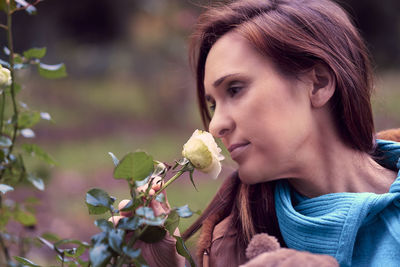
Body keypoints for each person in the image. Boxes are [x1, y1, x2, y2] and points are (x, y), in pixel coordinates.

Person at [113, 0, 400, 266]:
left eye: (235, 89)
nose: (215, 126)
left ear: (318, 84)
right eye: (213, 104)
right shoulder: (230, 250)